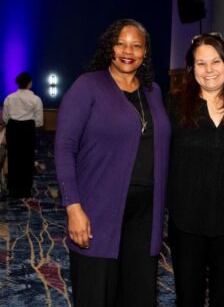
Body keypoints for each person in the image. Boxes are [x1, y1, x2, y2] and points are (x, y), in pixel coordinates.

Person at [55, 19, 171, 306]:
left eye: (136, 45)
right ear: (110, 47)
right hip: (98, 213)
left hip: (145, 217)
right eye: (121, 43)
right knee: (97, 294)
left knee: (138, 294)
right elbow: (64, 148)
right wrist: (73, 208)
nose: (127, 51)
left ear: (145, 52)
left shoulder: (153, 91)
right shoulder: (87, 86)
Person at [167, 33, 224, 306]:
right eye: (200, 63)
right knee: (188, 298)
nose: (209, 70)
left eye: (216, 61)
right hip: (187, 223)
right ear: (191, 69)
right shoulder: (173, 105)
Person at [2, 72, 44, 198]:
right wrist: (29, 125)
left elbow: (5, 118)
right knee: (27, 159)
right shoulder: (36, 99)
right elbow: (39, 121)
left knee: (13, 158)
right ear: (30, 83)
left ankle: (13, 190)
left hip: (13, 129)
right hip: (28, 130)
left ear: (17, 83)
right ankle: (25, 190)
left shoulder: (9, 98)